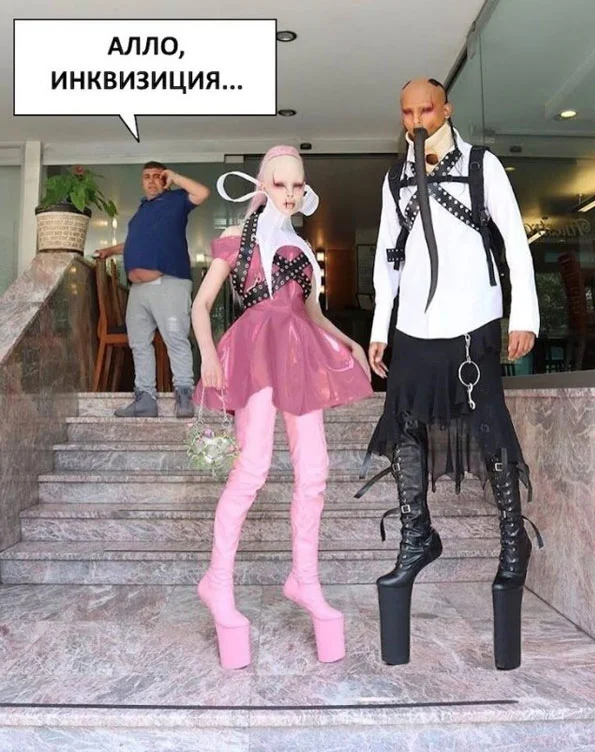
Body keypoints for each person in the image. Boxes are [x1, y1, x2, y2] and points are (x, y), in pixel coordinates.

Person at [361, 78, 542, 671]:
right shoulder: (395, 178)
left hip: (472, 319)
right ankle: (418, 534)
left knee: (489, 429)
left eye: (427, 109)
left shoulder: (483, 165)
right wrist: (380, 328)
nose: (417, 120)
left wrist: (525, 316)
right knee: (403, 427)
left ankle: (513, 542)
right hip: (414, 323)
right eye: (407, 111)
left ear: (447, 109)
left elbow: (515, 241)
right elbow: (387, 258)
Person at [191, 145, 373, 669]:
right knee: (252, 468)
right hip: (256, 353)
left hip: (298, 356)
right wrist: (208, 355)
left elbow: (312, 313)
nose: (290, 194)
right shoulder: (239, 238)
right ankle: (217, 582)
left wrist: (349, 342)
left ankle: (305, 579)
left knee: (315, 469)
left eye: (297, 185)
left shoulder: (301, 246)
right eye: (280, 183)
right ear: (264, 184)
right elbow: (202, 305)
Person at [96, 161, 210, 418]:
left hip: (168, 283)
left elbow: (203, 193)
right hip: (138, 290)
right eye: (146, 176)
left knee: (175, 339)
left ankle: (184, 397)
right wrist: (110, 250)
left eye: (157, 176)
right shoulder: (141, 212)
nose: (151, 180)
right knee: (138, 343)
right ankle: (145, 399)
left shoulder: (176, 201)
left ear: (165, 180)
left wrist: (175, 177)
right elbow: (135, 242)